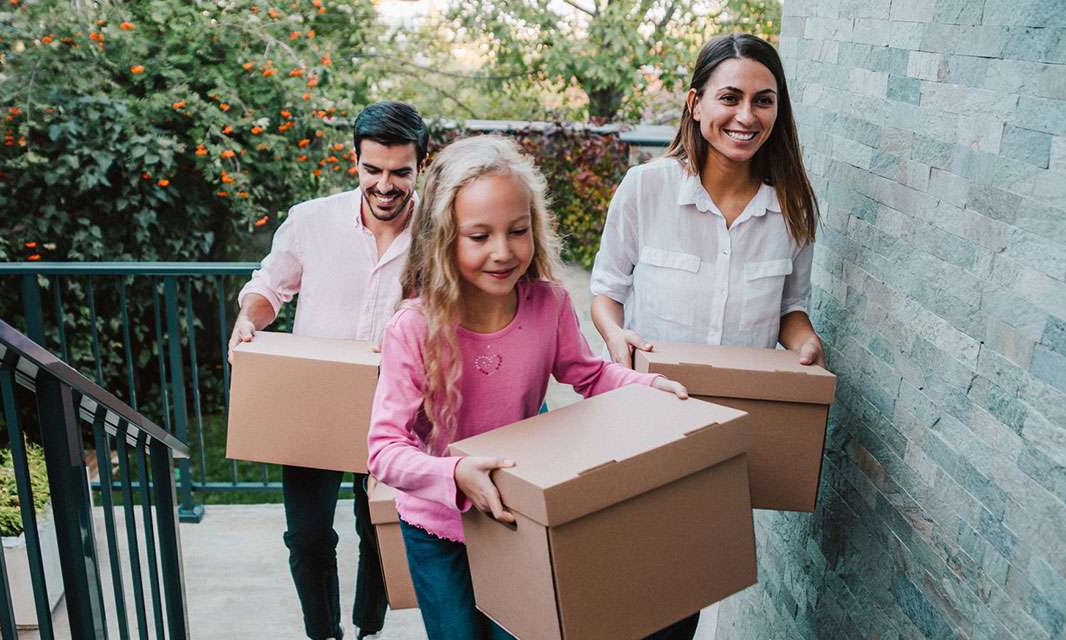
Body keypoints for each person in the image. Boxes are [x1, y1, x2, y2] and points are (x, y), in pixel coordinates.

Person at [366, 135, 690, 640]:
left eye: (517, 231)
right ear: (442, 237)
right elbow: (385, 451)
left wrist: (647, 386)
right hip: (440, 527)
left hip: (516, 516)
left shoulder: (549, 305)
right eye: (479, 236)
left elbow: (590, 374)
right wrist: (454, 474)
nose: (503, 252)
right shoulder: (413, 328)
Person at [590, 32, 827, 639]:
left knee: (682, 593)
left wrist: (803, 343)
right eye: (731, 97)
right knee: (620, 577)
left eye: (764, 101)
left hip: (727, 429)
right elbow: (606, 290)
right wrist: (616, 338)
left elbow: (790, 308)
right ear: (695, 103)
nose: (747, 117)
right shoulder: (647, 188)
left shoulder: (792, 209)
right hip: (644, 415)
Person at [229, 101, 428, 640]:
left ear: (420, 168)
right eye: (373, 170)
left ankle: (369, 629)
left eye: (400, 173)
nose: (385, 185)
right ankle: (324, 633)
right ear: (355, 162)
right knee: (309, 535)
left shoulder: (441, 230)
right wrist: (250, 319)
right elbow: (271, 286)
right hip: (315, 403)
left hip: (398, 405)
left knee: (378, 530)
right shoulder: (311, 219)